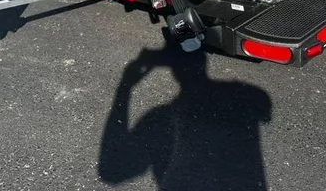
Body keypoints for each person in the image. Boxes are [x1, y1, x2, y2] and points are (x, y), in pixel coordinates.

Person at [99, 36, 272, 190]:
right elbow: (264, 114)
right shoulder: (247, 94)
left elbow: (111, 172)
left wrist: (125, 87)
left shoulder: (162, 114)